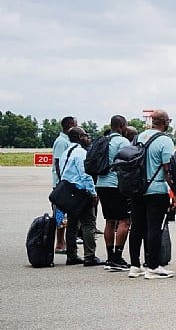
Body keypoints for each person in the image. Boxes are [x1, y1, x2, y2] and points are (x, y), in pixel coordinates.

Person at [128, 110, 176, 279]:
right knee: (154, 228)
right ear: (164, 121)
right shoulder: (165, 141)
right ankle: (153, 266)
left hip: (137, 189)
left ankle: (135, 265)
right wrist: (175, 193)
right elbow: (167, 169)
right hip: (156, 190)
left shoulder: (138, 137)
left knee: (136, 227)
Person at [60, 127, 103, 266]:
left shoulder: (66, 152)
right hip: (81, 192)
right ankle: (89, 256)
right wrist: (93, 192)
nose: (87, 138)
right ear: (79, 136)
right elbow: (85, 174)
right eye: (85, 135)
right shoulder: (80, 153)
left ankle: (71, 255)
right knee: (88, 223)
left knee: (72, 224)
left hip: (69, 192)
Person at [95, 115, 132, 271]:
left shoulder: (102, 140)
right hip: (116, 185)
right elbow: (127, 164)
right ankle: (118, 257)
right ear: (122, 126)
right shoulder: (122, 142)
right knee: (125, 220)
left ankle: (110, 258)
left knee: (110, 221)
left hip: (101, 184)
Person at [52, 116, 77, 253]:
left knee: (64, 215)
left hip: (65, 184)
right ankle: (60, 243)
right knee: (60, 214)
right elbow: (58, 163)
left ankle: (63, 241)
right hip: (61, 185)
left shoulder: (66, 140)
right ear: (70, 125)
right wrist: (63, 183)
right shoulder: (62, 142)